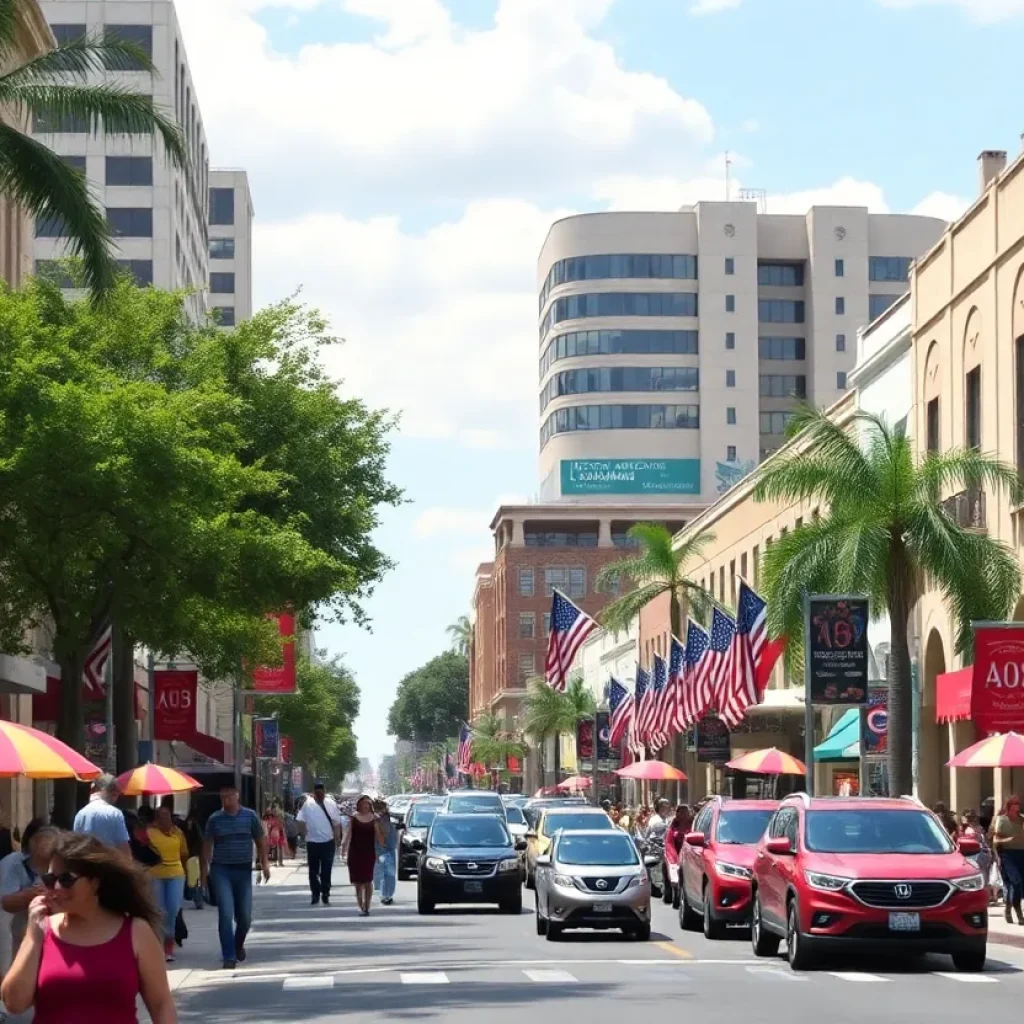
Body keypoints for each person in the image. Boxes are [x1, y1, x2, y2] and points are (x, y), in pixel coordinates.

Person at [0, 831, 175, 1023]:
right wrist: (34, 934)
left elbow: (161, 1004)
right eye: (50, 879)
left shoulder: (135, 932)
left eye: (66, 880)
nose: (55, 888)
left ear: (94, 883)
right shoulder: (42, 930)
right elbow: (14, 1004)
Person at [202, 785, 270, 969]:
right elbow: (207, 846)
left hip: (243, 870)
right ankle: (229, 955)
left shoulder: (249, 816)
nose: (225, 801)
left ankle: (238, 944)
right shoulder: (215, 819)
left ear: (237, 796)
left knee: (245, 917)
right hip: (221, 870)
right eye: (222, 797)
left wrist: (264, 863)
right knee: (225, 914)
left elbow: (260, 840)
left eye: (229, 797)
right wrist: (203, 875)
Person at [0, 821, 58, 959]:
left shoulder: (60, 865)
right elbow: (6, 904)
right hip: (11, 931)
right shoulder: (14, 863)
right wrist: (29, 895)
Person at [146, 805, 188, 962]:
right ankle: (159, 945)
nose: (165, 819)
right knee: (159, 910)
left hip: (176, 875)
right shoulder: (149, 833)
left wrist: (187, 873)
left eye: (167, 815)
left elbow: (184, 854)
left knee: (172, 909)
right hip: (155, 875)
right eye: (161, 816)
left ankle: (169, 942)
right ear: (156, 819)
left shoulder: (178, 832)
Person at [296, 782, 342, 906]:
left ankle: (325, 892)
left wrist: (337, 839)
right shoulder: (308, 804)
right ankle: (315, 894)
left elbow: (337, 822)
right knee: (313, 870)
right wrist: (303, 833)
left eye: (321, 791)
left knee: (326, 870)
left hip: (328, 842)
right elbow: (300, 820)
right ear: (314, 792)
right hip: (312, 842)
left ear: (324, 791)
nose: (319, 794)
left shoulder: (331, 804)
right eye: (317, 792)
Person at [342, 795, 384, 916]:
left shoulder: (375, 819)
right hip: (355, 853)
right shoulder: (354, 818)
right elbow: (348, 834)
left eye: (368, 803)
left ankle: (367, 906)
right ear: (359, 805)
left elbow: (380, 837)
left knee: (368, 880)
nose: (365, 805)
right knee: (358, 882)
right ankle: (360, 904)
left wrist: (382, 846)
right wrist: (343, 848)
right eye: (363, 803)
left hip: (369, 853)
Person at [72, 774, 131, 856]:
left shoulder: (80, 814)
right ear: (114, 793)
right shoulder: (114, 813)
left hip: (86, 864)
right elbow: (123, 847)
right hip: (109, 864)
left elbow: (76, 844)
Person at [992, 795, 1024, 925]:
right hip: (1007, 854)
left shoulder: (1022, 820)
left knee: (1019, 886)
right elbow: (995, 840)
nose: (1017, 808)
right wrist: (998, 855)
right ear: (1009, 807)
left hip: (1021, 854)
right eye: (1014, 805)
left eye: (1018, 805)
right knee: (1016, 881)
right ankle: (1018, 911)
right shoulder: (1001, 820)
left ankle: (1009, 906)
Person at [372, 800, 398, 906]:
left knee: (384, 873)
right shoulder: (380, 820)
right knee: (386, 874)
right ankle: (386, 895)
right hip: (384, 850)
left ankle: (386, 895)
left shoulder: (380, 819)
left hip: (384, 850)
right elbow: (383, 836)